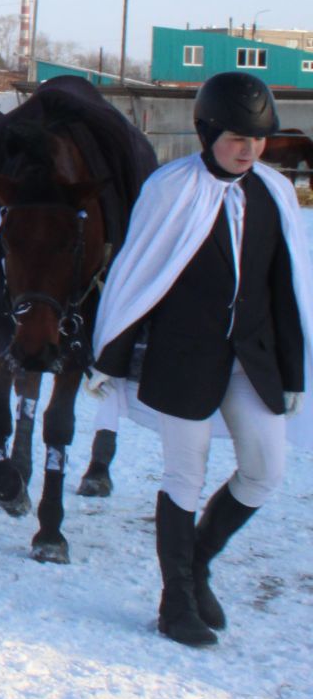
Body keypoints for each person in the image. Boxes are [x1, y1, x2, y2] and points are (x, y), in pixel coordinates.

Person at [89, 71, 310, 647]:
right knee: (185, 475)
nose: (250, 149)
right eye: (238, 137)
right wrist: (109, 359)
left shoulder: (275, 192)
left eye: (259, 139)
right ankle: (175, 603)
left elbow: (287, 286)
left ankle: (198, 564)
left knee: (266, 471)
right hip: (184, 360)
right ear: (207, 130)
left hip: (252, 361)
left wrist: (292, 370)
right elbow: (140, 276)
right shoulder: (171, 188)